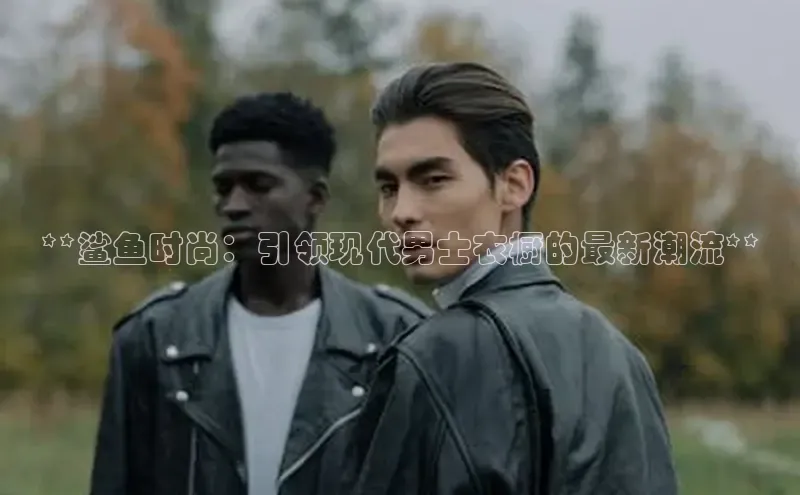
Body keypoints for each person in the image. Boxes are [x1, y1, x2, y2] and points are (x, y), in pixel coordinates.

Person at [339, 62, 678, 494]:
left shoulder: (434, 355)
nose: (401, 212)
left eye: (433, 180)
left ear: (514, 185)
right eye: (389, 188)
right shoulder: (620, 355)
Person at [88, 92, 431, 495]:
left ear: (315, 198)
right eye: (223, 188)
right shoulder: (155, 337)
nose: (234, 205)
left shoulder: (397, 339)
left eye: (258, 186)